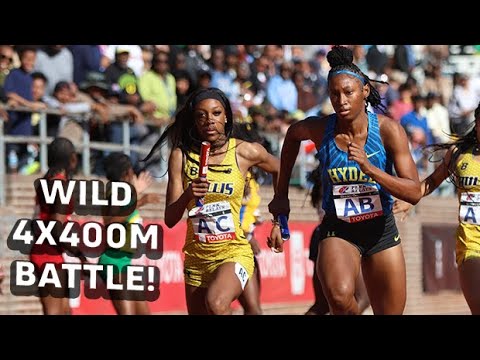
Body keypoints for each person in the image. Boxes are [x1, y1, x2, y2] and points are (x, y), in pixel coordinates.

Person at [268, 45, 422, 315]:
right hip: (338, 229)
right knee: (338, 299)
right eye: (334, 94)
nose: (341, 100)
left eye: (348, 92)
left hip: (381, 231)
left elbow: (414, 192)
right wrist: (281, 194)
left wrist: (370, 169)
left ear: (364, 91)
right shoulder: (320, 128)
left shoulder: (388, 130)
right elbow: (292, 135)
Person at [143, 87, 279, 315]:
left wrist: (279, 220)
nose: (209, 120)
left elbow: (280, 168)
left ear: (226, 116)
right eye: (201, 115)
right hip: (197, 259)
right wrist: (188, 194)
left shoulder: (244, 151)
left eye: (216, 113)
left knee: (217, 303)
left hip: (234, 251)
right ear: (194, 121)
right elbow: (170, 218)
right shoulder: (181, 156)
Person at [394, 104, 480, 314]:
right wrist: (410, 199)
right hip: (471, 243)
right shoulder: (459, 154)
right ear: (477, 123)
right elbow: (432, 181)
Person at [30, 137, 87, 315]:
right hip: (49, 254)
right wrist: (79, 253)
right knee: (54, 312)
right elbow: (56, 228)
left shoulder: (46, 181)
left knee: (64, 311)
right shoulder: (60, 185)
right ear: (72, 158)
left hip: (48, 252)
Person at [100, 152, 161, 315]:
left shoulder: (123, 193)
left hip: (127, 264)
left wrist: (136, 192)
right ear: (128, 173)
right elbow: (112, 223)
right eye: (132, 171)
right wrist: (141, 201)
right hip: (114, 262)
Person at [304, 165, 370, 315]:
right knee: (326, 304)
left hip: (335, 234)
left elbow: (362, 298)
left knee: (332, 303)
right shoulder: (320, 232)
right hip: (334, 234)